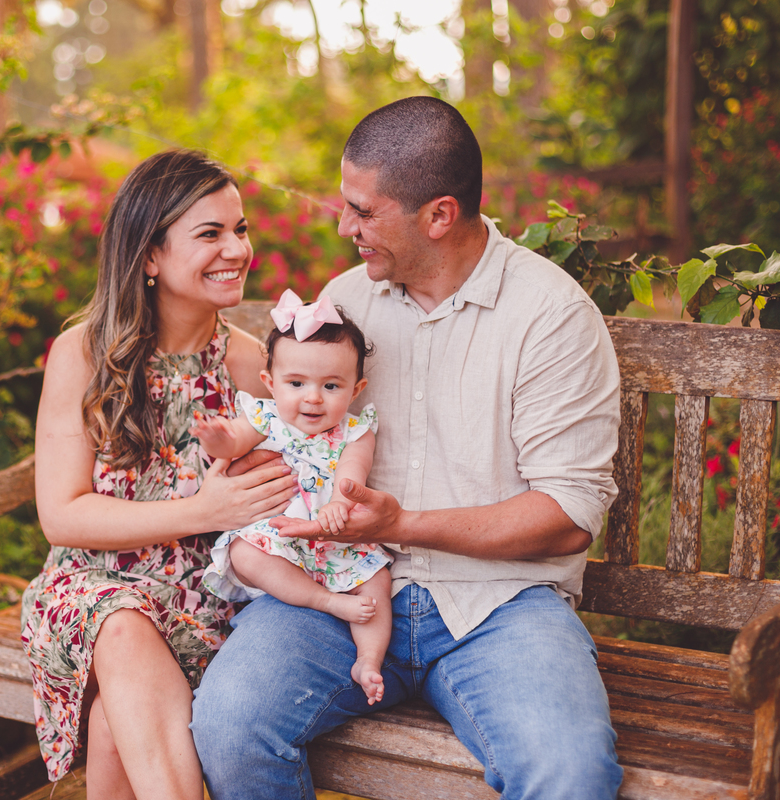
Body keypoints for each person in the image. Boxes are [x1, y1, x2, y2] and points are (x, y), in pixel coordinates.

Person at [191, 97, 625, 798]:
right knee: (231, 723)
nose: (344, 226)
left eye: (364, 211)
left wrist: (399, 526)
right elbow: (289, 430)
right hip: (336, 588)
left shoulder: (550, 316)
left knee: (571, 774)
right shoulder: (341, 304)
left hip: (499, 606)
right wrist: (245, 463)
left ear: (439, 215)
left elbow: (569, 516)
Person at [20, 149, 299, 800]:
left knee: (118, 725)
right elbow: (62, 513)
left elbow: (291, 486)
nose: (236, 249)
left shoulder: (249, 366)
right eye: (210, 234)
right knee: (120, 624)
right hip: (91, 588)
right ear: (149, 256)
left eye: (241, 229)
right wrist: (203, 510)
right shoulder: (85, 354)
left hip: (205, 601)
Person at [192, 290, 393, 704]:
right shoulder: (268, 417)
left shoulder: (355, 430)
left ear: (356, 389)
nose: (313, 397)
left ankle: (368, 660)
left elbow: (354, 471)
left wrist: (341, 502)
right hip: (282, 537)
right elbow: (235, 443)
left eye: (331, 385)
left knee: (378, 580)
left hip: (337, 536)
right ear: (271, 383)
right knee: (246, 553)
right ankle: (326, 602)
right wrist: (219, 440)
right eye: (296, 383)